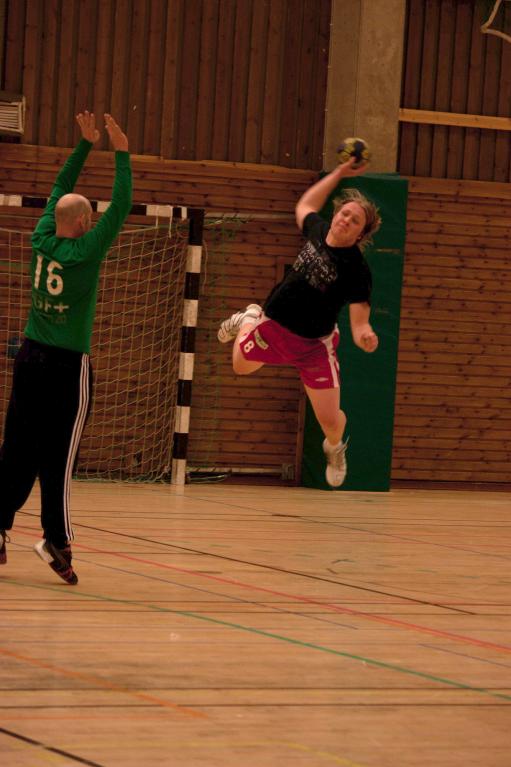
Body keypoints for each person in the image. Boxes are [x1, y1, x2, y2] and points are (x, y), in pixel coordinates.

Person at [0, 112, 132, 583]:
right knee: (59, 456)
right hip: (65, 367)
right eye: (89, 216)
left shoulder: (40, 239)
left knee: (16, 449)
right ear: (83, 222)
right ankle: (55, 539)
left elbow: (59, 188)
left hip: (28, 357)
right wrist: (120, 152)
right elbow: (122, 204)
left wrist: (83, 145)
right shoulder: (86, 251)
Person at [217, 157, 381, 488]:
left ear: (361, 233)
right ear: (336, 214)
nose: (346, 219)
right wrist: (339, 173)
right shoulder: (317, 230)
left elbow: (360, 319)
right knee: (240, 366)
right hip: (274, 326)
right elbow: (305, 205)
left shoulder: (357, 270)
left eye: (355, 220)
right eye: (344, 213)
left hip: (313, 347)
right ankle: (249, 318)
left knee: (330, 422)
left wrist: (366, 334)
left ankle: (334, 448)